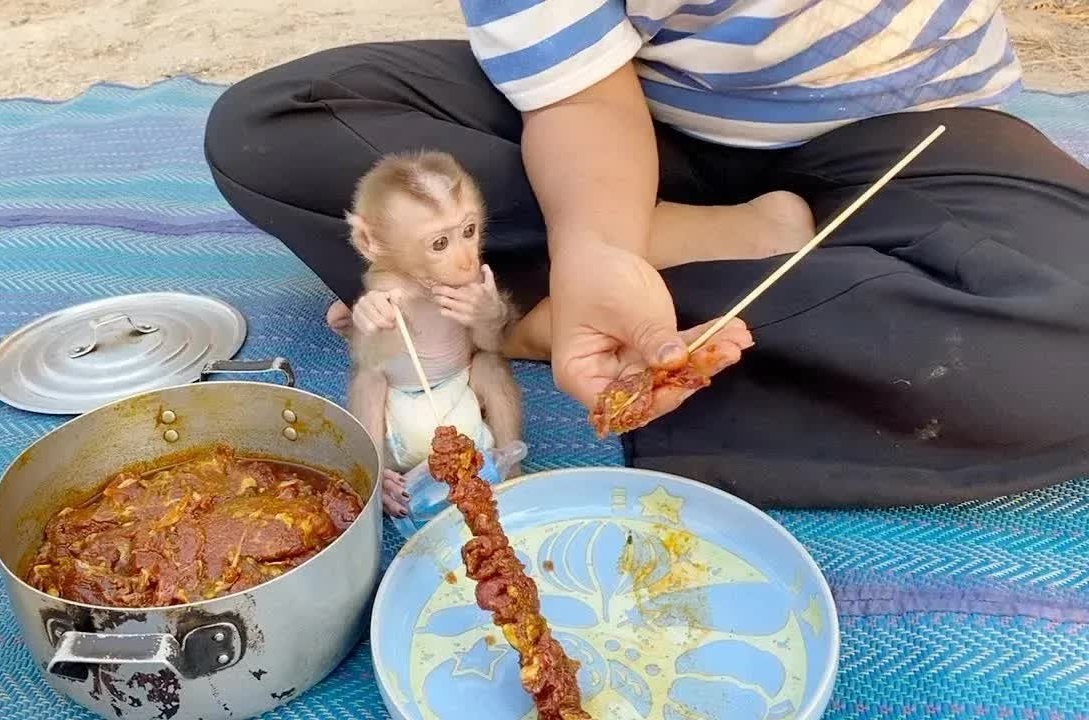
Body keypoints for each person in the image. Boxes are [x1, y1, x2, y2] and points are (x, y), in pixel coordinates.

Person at [204, 1, 1089, 508]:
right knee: (276, 129)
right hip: (629, 118)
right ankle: (697, 251)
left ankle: (527, 310)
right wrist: (596, 239)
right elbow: (579, 95)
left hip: (909, 134)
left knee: (1066, 345)